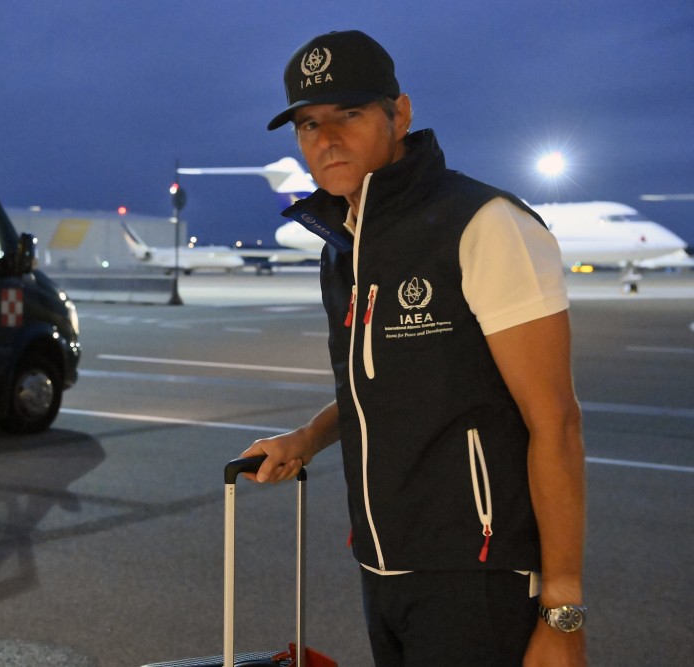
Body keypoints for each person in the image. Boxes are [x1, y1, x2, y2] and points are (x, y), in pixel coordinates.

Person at [241, 31, 587, 665]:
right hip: (383, 569)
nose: (327, 138)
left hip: (478, 575)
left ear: (399, 114)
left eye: (349, 114)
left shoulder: (482, 225)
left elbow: (556, 422)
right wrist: (305, 439)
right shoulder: (345, 246)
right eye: (309, 123)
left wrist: (563, 613)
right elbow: (383, 385)